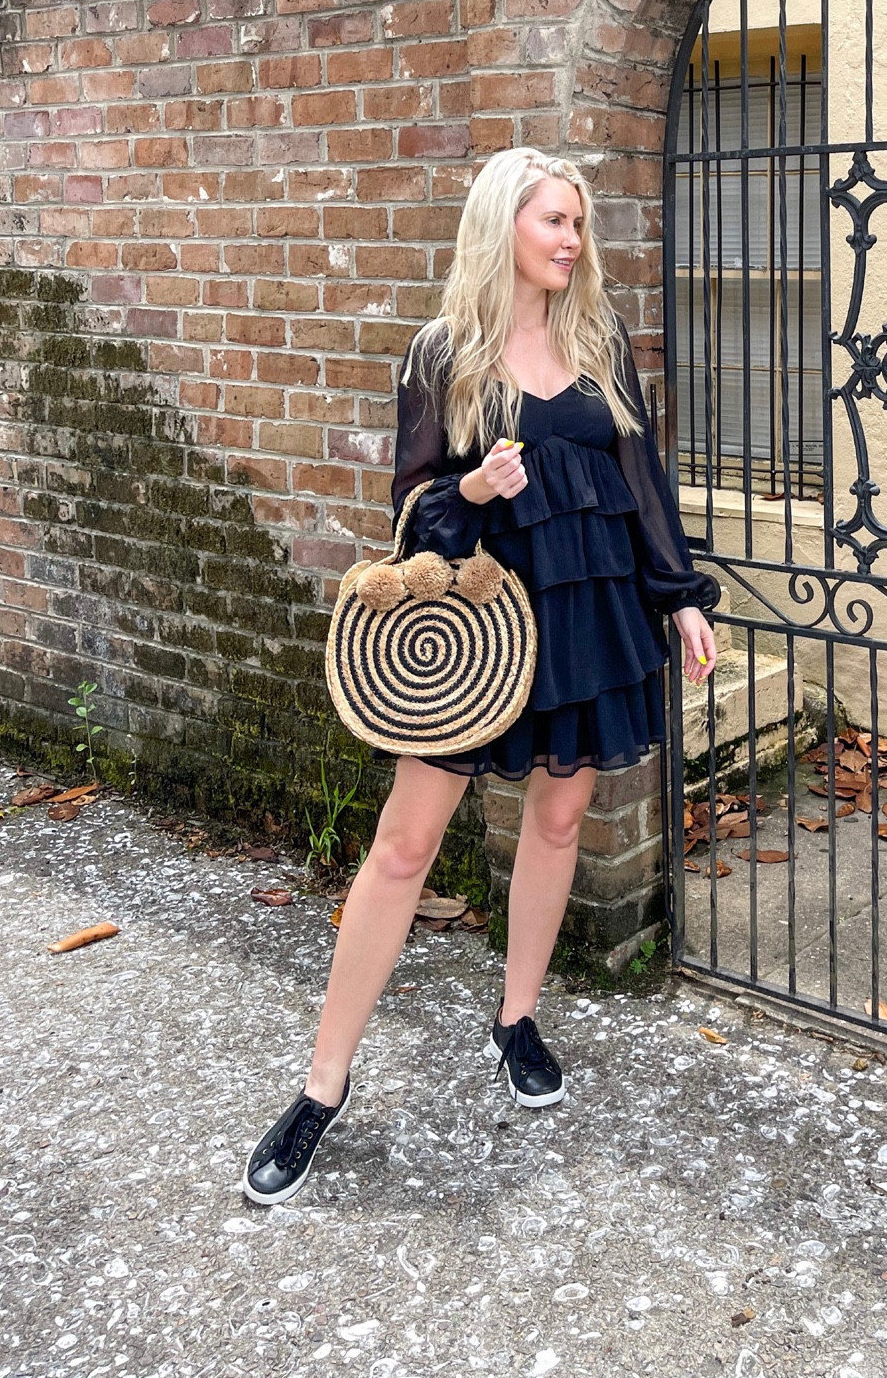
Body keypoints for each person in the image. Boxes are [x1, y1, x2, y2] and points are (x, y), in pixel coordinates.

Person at [242, 148, 718, 1205]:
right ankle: (323, 1084)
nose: (571, 239)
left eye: (579, 223)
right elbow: (415, 517)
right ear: (504, 222)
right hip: (480, 636)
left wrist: (680, 594)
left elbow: (642, 484)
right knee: (405, 843)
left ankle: (516, 1016)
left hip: (589, 616)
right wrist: (475, 480)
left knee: (558, 821)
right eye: (553, 218)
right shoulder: (443, 353)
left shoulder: (599, 346)